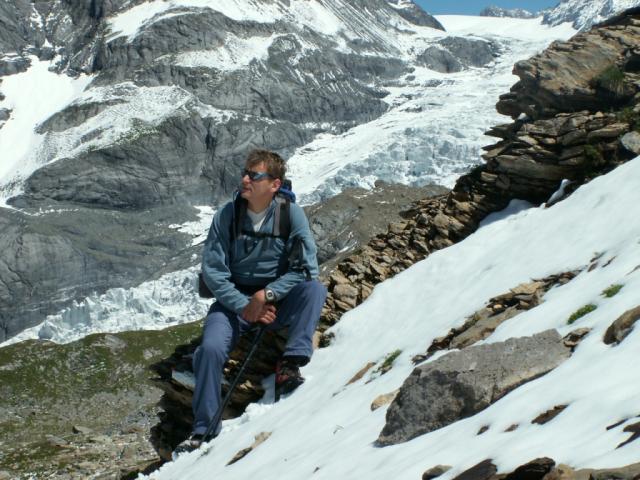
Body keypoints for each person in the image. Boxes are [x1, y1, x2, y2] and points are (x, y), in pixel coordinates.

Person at [176, 149, 327, 454]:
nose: (244, 179)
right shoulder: (227, 216)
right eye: (245, 173)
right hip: (235, 302)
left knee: (314, 290)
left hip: (275, 297)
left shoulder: (290, 214)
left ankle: (291, 362)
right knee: (210, 350)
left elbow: (306, 267)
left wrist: (267, 296)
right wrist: (246, 305)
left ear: (274, 184)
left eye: (254, 175)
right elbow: (214, 273)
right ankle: (204, 429)